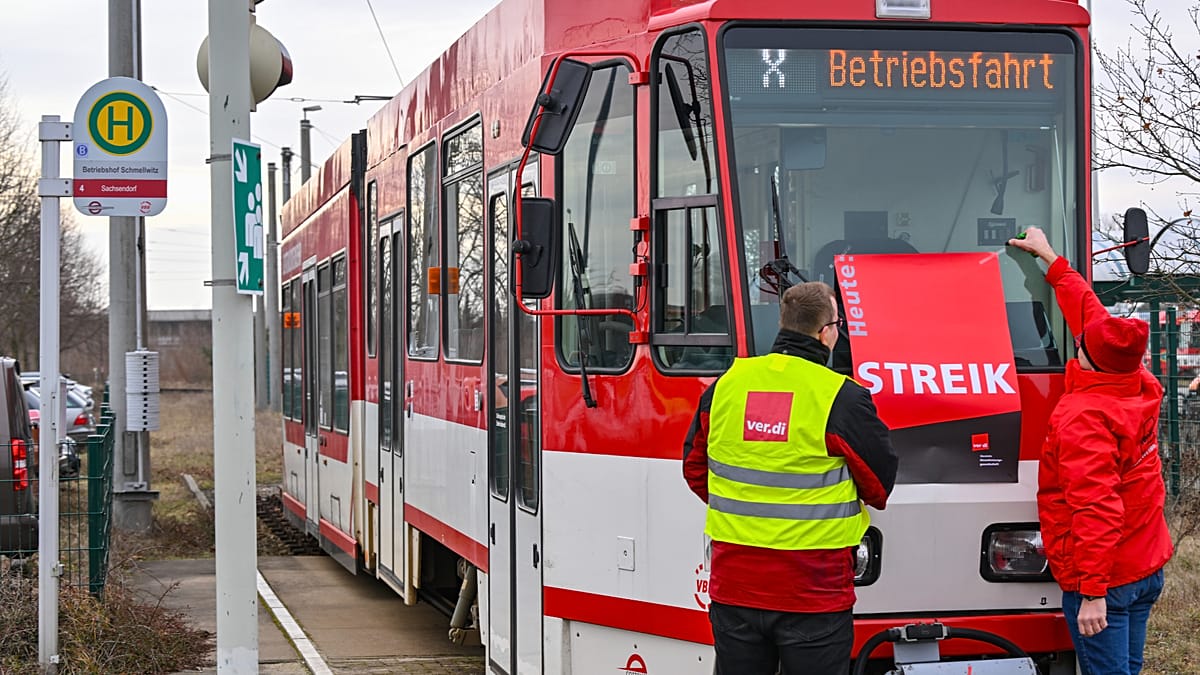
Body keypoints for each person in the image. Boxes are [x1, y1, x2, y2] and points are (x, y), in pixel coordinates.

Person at [682, 281, 898, 674]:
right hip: (813, 591)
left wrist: (747, 511)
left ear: (783, 324)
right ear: (825, 332)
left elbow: (696, 470)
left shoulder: (727, 385)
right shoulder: (840, 397)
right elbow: (879, 486)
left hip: (736, 586)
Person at [1009, 227, 1173, 675]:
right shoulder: (1138, 382)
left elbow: (1097, 508)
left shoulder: (1084, 418)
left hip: (1110, 580)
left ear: (1086, 356)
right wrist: (1050, 258)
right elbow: (1091, 315)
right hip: (1145, 566)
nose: (1078, 340)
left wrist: (1093, 592)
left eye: (1081, 343)